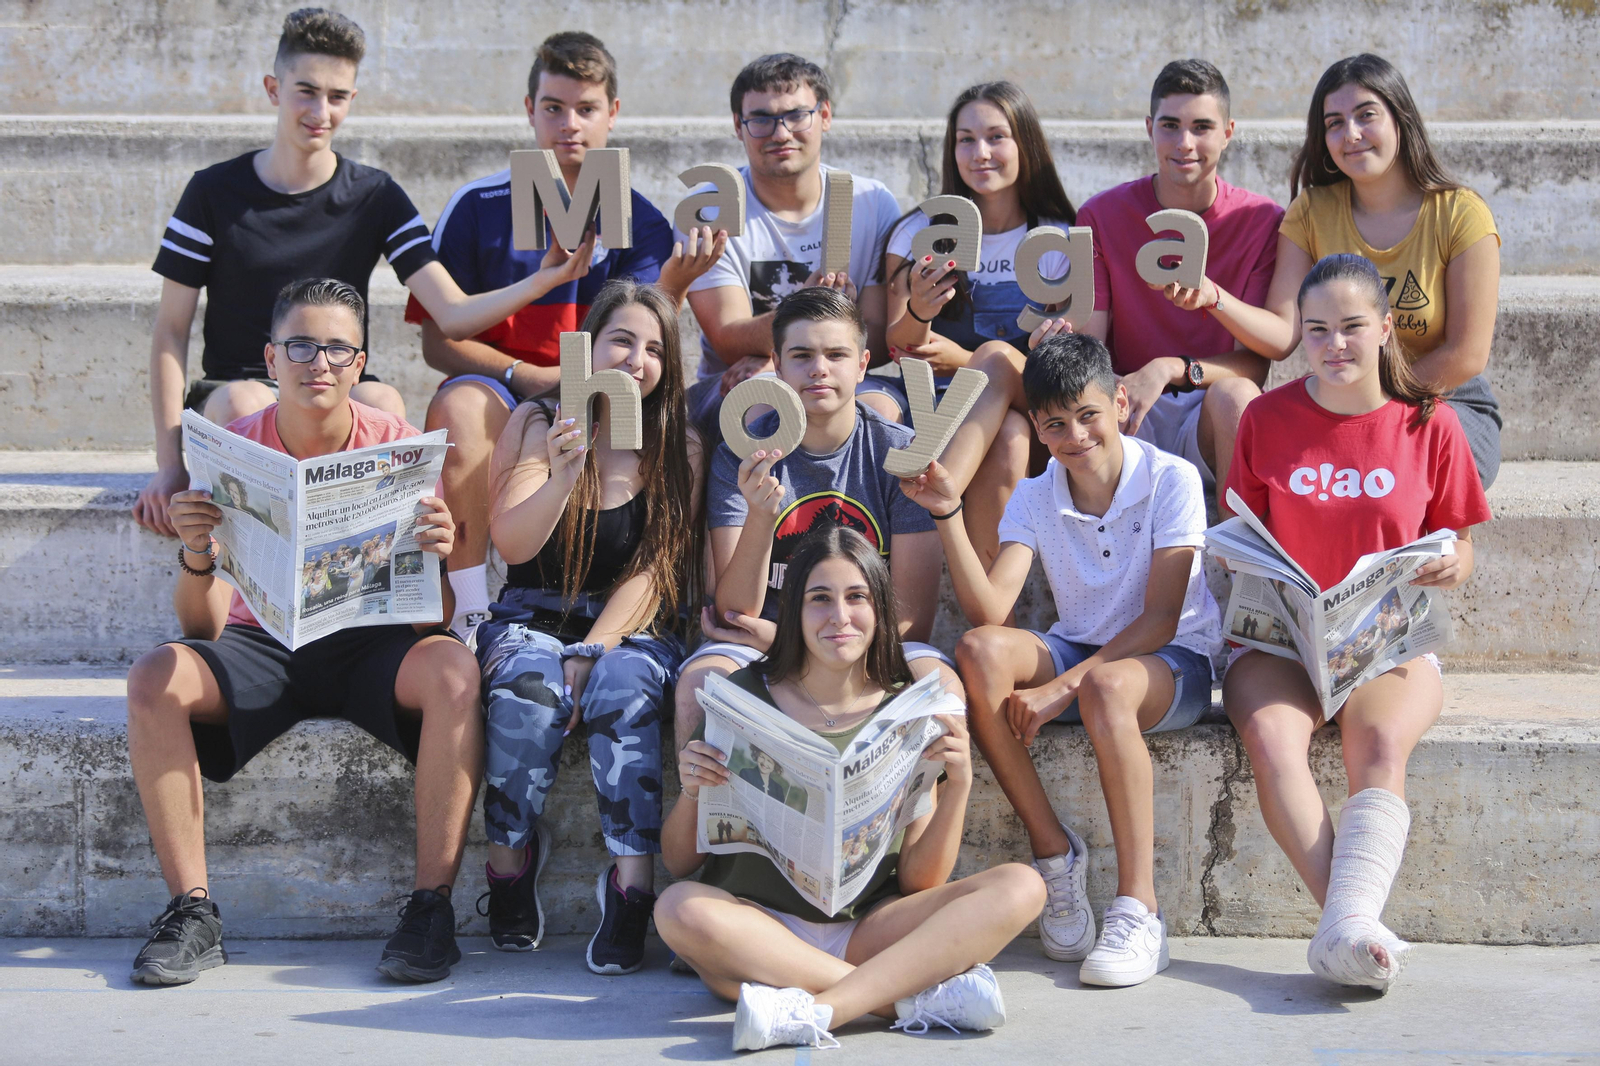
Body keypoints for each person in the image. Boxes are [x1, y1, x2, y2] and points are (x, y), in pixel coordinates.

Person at [124, 278, 483, 986]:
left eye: (337, 349)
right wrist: (198, 556)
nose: (318, 362)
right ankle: (191, 912)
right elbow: (199, 626)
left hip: (369, 641)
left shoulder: (401, 449)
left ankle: (430, 908)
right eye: (301, 346)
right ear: (270, 358)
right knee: (151, 679)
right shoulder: (230, 453)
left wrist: (436, 557)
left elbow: (431, 622)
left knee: (454, 673)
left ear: (359, 364)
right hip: (263, 642)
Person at [133, 7, 581, 541]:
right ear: (274, 89)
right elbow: (170, 332)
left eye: (338, 96)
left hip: (334, 376)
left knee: (385, 402)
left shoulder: (374, 194)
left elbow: (453, 313)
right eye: (307, 91)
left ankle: (384, 581)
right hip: (237, 384)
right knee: (246, 401)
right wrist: (169, 465)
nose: (321, 110)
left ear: (352, 100)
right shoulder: (212, 192)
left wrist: (543, 280)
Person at [900, 331, 1222, 987]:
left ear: (1121, 403)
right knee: (978, 651)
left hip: (1172, 660)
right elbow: (991, 608)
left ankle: (1139, 910)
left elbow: (1161, 617)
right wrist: (949, 514)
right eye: (1055, 423)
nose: (1075, 435)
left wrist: (1065, 688)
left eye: (1088, 415)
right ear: (1041, 432)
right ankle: (1055, 856)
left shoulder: (1171, 479)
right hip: (1083, 649)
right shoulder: (1037, 493)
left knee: (1104, 688)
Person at [655, 527, 1046, 1050]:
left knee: (1024, 886)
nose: (840, 616)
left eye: (856, 597)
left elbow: (919, 881)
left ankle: (813, 1008)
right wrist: (692, 791)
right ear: (793, 611)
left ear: (879, 609)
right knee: (677, 906)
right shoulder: (740, 700)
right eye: (819, 599)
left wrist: (960, 786)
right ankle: (903, 998)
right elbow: (679, 864)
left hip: (870, 929)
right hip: (763, 929)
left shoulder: (907, 710)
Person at [1223, 253, 1491, 992]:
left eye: (1350, 327)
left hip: (1384, 639)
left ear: (1383, 330)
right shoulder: (1265, 419)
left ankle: (1345, 930)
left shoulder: (1429, 424)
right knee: (1273, 736)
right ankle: (1349, 928)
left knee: (1375, 743)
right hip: (1281, 641)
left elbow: (1461, 546)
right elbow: (1243, 529)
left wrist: (1449, 566)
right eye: (1315, 331)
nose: (1333, 344)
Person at [409, 32, 726, 640]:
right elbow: (436, 344)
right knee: (460, 401)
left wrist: (676, 290)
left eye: (586, 109)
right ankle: (472, 609)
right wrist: (525, 377)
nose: (569, 125)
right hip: (508, 395)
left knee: (674, 427)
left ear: (614, 114)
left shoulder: (642, 219)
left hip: (602, 407)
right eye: (553, 107)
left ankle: (629, 605)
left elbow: (640, 335)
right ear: (529, 110)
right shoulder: (477, 206)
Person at [474, 279, 702, 975]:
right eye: (622, 341)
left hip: (629, 626)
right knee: (527, 692)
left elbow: (654, 572)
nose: (637, 360)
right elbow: (511, 545)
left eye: (654, 348)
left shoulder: (677, 446)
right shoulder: (542, 425)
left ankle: (631, 887)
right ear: (589, 349)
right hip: (531, 614)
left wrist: (592, 649)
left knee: (623, 686)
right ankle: (508, 868)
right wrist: (564, 475)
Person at [1193, 54, 1503, 488]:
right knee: (1249, 425)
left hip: (1438, 399)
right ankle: (1247, 553)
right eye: (1334, 123)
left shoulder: (1459, 213)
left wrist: (1374, 403)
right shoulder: (1312, 211)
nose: (1350, 134)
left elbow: (1467, 354)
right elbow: (1284, 334)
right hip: (1335, 399)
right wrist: (1214, 297)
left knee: (1390, 474)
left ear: (1401, 118)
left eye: (1365, 116)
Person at [673, 286, 948, 748]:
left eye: (836, 354)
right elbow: (734, 611)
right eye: (802, 355)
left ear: (862, 365)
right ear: (777, 366)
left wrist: (784, 641)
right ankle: (707, 818)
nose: (819, 368)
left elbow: (910, 624)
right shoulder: (740, 454)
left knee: (942, 688)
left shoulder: (901, 454)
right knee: (700, 684)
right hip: (759, 645)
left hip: (861, 642)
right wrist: (761, 516)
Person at [856, 80, 1078, 566]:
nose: (980, 152)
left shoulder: (1059, 237)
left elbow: (1066, 360)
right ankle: (991, 607)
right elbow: (900, 344)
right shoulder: (918, 230)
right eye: (965, 139)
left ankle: (933, 484)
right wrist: (918, 309)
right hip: (941, 404)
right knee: (1008, 434)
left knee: (997, 361)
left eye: (996, 137)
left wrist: (965, 361)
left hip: (1040, 401)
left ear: (1025, 143)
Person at [1076, 59, 1283, 505]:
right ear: (1150, 128)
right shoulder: (1101, 214)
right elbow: (1090, 344)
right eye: (1170, 125)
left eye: (1201, 127)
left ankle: (1241, 562)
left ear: (1228, 132)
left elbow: (1259, 362)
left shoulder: (1263, 220)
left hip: (1209, 405)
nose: (1184, 143)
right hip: (1125, 398)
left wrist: (1173, 366)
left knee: (1239, 395)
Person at [681, 53, 902, 435]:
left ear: (825, 116)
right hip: (739, 383)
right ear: (738, 126)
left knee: (880, 410)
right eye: (761, 119)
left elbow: (881, 338)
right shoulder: (711, 205)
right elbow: (728, 341)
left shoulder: (873, 201)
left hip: (841, 378)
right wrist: (804, 312)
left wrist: (780, 356)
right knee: (763, 403)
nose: (780, 133)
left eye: (797, 115)